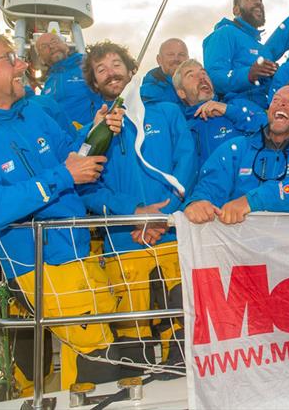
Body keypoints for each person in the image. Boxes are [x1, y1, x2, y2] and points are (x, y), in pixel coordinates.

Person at [0, 29, 126, 390]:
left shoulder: (34, 114)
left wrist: (97, 129)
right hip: (38, 265)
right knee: (100, 362)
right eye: (8, 59)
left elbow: (74, 156)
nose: (22, 64)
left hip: (78, 251)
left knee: (93, 362)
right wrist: (61, 175)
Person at [78, 40, 197, 368]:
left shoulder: (168, 113)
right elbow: (86, 187)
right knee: (134, 349)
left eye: (116, 64)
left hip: (173, 242)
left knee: (184, 338)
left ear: (132, 70)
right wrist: (133, 212)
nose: (110, 72)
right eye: (101, 69)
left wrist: (163, 214)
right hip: (124, 249)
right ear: (94, 82)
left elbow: (188, 164)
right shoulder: (95, 132)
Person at [184, 84, 289, 224]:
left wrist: (253, 200)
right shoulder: (237, 148)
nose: (281, 104)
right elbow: (210, 186)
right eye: (276, 100)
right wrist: (198, 202)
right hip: (241, 247)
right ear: (268, 111)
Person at [174, 59, 267, 169]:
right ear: (181, 93)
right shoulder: (182, 130)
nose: (202, 78)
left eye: (203, 73)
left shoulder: (238, 105)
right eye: (191, 75)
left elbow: (271, 129)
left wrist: (229, 111)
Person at [203, 0, 278, 109]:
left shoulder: (265, 50)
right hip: (233, 115)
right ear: (236, 10)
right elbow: (212, 77)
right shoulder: (224, 34)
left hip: (265, 115)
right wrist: (248, 74)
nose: (258, 2)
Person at [35, 32, 101, 128]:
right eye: (44, 47)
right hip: (65, 141)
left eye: (54, 41)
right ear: (41, 59)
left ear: (66, 45)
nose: (51, 47)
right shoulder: (47, 87)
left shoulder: (89, 65)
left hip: (93, 136)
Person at [140, 37, 189, 108]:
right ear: (159, 59)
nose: (176, 59)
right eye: (170, 54)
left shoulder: (199, 85)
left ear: (188, 59)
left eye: (181, 55)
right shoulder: (147, 92)